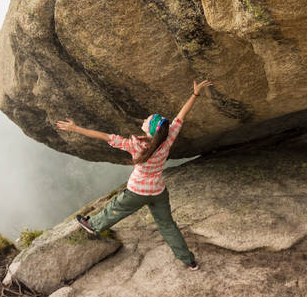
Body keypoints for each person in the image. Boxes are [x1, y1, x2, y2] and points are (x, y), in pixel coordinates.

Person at [54, 79, 214, 271]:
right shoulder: (167, 139)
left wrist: (75, 128)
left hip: (137, 191)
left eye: (148, 120)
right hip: (158, 191)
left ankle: (93, 225)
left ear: (149, 129)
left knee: (116, 207)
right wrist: (195, 94)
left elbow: (104, 136)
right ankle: (189, 261)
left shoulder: (135, 145)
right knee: (167, 225)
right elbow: (181, 116)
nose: (145, 120)